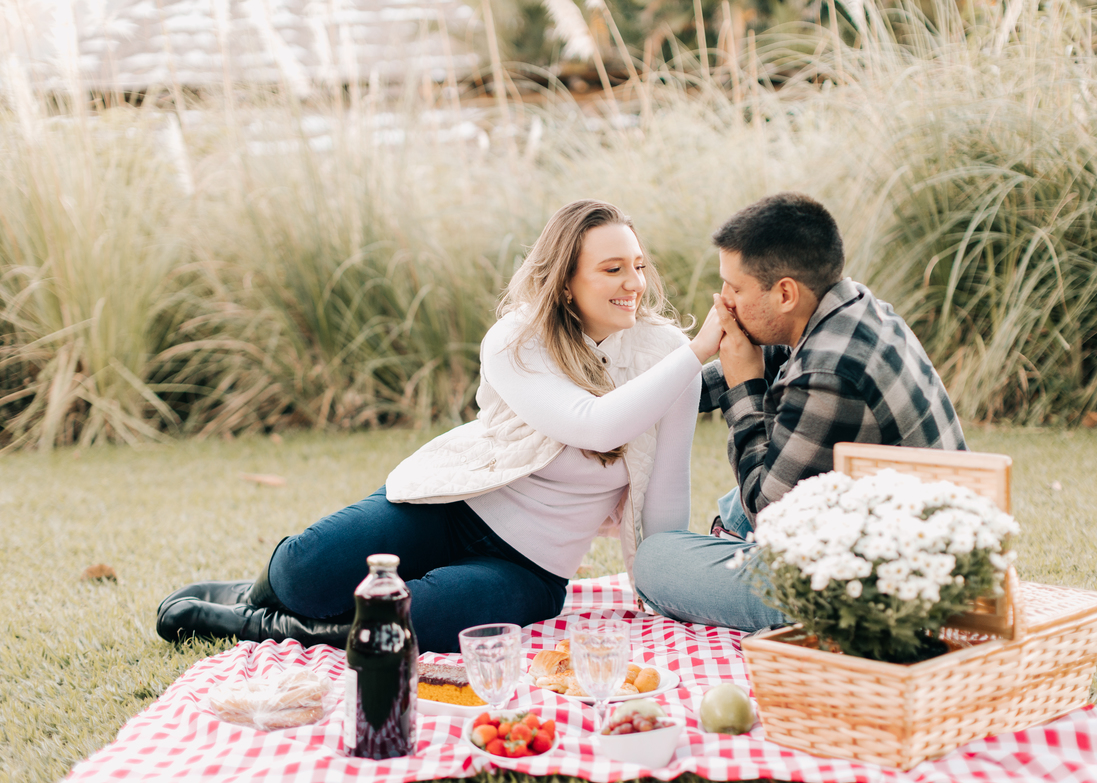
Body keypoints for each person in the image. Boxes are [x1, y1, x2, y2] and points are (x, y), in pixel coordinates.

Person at [157, 199, 722, 653]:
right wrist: (698, 352)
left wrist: (665, 584)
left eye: (639, 266)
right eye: (613, 269)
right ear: (566, 280)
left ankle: (264, 627)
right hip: (452, 508)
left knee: (419, 619)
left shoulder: (667, 357)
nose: (634, 283)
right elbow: (593, 426)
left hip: (528, 567)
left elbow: (667, 490)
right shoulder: (518, 339)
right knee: (306, 570)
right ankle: (258, 595)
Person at [632, 192, 968, 632]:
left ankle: (741, 566)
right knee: (735, 505)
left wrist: (743, 386)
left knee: (655, 559)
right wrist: (638, 393)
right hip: (878, 529)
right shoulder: (849, 309)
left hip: (877, 589)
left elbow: (770, 517)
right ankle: (731, 553)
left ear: (785, 293)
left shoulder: (830, 372)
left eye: (735, 288)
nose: (724, 302)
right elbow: (766, 362)